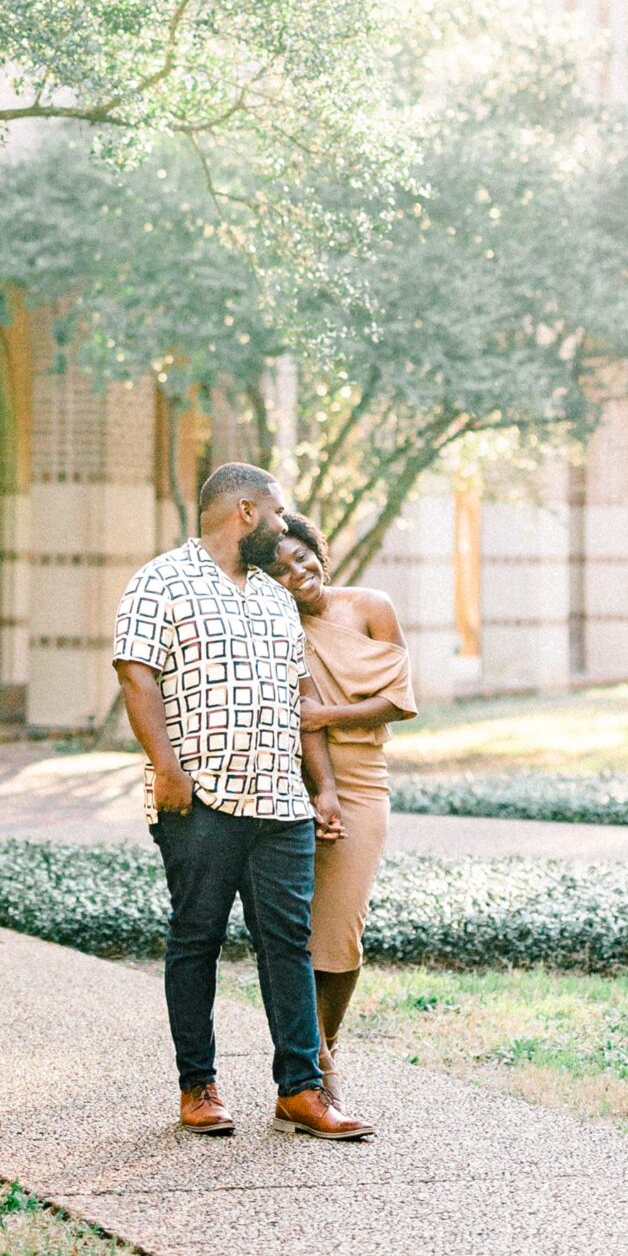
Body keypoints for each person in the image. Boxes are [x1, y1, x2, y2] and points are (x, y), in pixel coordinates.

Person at [112, 462, 374, 1141]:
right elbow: (135, 675)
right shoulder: (159, 581)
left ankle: (300, 1091)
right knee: (195, 940)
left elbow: (296, 700)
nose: (287, 526)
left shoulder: (271, 597)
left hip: (279, 802)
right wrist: (165, 768)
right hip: (196, 798)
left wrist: (320, 790)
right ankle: (197, 1087)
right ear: (246, 513)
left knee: (285, 942)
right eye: (279, 513)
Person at [266, 511, 416, 1110]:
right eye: (278, 569)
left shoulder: (371, 606)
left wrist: (325, 716)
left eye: (301, 556)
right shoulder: (274, 626)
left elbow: (399, 701)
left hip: (363, 782)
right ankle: (307, 1070)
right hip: (290, 777)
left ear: (317, 551)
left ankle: (325, 1047)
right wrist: (315, 778)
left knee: (343, 926)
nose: (296, 572)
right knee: (292, 932)